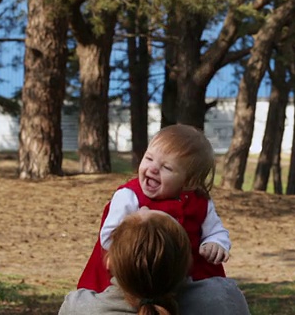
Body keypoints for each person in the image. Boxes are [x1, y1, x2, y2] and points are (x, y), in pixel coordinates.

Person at [77, 124, 231, 292]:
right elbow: (108, 238)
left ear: (189, 182)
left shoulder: (200, 202)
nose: (153, 168)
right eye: (149, 158)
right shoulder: (129, 197)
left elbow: (216, 231)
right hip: (135, 275)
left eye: (166, 167)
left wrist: (215, 243)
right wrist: (138, 230)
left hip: (188, 278)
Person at [59, 208, 250, 315]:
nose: (143, 207)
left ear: (109, 262)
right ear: (189, 262)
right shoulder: (224, 299)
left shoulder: (78, 308)